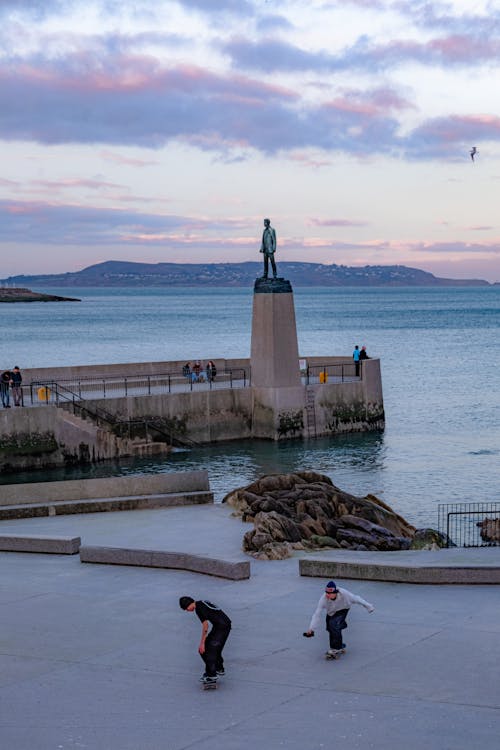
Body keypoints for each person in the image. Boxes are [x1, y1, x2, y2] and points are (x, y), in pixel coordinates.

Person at [303, 580, 374, 657]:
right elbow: (317, 614)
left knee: (334, 624)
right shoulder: (323, 599)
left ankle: (335, 648)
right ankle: (339, 645)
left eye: (330, 594)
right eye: (326, 593)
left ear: (335, 592)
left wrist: (368, 606)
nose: (327, 595)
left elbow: (356, 598)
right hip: (331, 612)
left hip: (343, 609)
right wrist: (311, 629)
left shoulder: (344, 593)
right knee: (330, 629)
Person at [179, 596, 232, 686]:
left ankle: (211, 675)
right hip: (222, 626)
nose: (187, 611)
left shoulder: (198, 609)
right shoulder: (201, 603)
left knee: (207, 650)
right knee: (212, 649)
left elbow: (205, 626)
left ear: (188, 605)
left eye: (186, 609)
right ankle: (219, 668)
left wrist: (202, 643)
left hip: (221, 628)